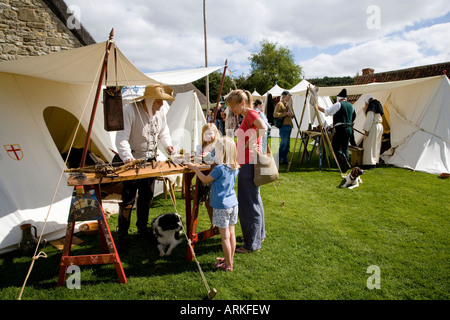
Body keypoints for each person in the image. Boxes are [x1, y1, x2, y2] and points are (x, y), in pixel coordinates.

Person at [115, 84, 175, 252]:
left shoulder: (161, 112)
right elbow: (121, 138)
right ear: (148, 100)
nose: (161, 105)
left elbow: (164, 132)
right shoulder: (130, 110)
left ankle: (142, 230)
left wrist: (168, 145)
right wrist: (127, 157)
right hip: (131, 161)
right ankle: (123, 235)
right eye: (158, 101)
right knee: (128, 200)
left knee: (146, 197)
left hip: (150, 161)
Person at [186, 136, 240, 271]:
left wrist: (194, 168)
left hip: (222, 206)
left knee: (225, 237)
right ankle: (229, 259)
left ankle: (228, 265)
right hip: (233, 203)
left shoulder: (219, 169)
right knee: (231, 234)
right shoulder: (235, 166)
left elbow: (204, 179)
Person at [226, 89, 268, 253]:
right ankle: (258, 235)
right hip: (249, 161)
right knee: (255, 200)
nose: (232, 110)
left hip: (248, 162)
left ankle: (251, 244)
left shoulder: (250, 114)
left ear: (242, 103)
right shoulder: (249, 115)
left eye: (233, 106)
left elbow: (263, 127)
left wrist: (250, 141)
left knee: (248, 203)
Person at [317, 88, 354, 172]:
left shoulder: (338, 104)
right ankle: (345, 164)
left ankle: (344, 162)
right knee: (345, 147)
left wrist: (318, 107)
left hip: (341, 129)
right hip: (349, 129)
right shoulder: (351, 106)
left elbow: (328, 111)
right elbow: (353, 116)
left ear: (339, 98)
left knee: (335, 147)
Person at [193, 123, 219, 223]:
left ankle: (218, 224)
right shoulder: (201, 146)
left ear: (215, 134)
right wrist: (198, 157)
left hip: (213, 176)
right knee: (207, 201)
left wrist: (208, 156)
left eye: (210, 133)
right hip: (203, 176)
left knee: (214, 201)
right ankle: (213, 223)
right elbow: (197, 159)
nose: (208, 136)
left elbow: (217, 160)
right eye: (205, 134)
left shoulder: (216, 146)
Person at [362, 94, 384, 168]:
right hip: (379, 126)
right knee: (376, 145)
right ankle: (375, 161)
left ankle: (369, 163)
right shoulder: (377, 104)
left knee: (370, 145)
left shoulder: (371, 107)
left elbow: (369, 119)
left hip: (374, 126)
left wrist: (366, 129)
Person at [273, 91, 294, 164]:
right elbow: (275, 114)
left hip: (289, 125)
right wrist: (286, 113)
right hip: (284, 126)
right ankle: (277, 159)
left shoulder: (289, 104)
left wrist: (291, 114)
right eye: (289, 96)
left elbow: (292, 115)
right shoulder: (280, 104)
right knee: (283, 144)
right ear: (286, 96)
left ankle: (284, 159)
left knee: (287, 145)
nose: (290, 97)